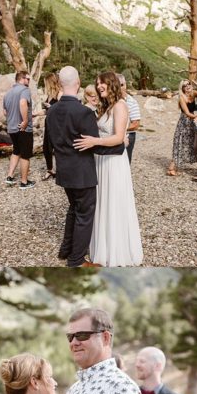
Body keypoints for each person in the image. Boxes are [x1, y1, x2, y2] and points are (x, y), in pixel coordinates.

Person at [73, 71, 144, 267]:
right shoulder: (107, 107)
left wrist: (94, 141)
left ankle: (116, 250)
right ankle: (102, 247)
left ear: (111, 84)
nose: (98, 86)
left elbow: (119, 137)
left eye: (102, 83)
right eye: (97, 83)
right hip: (101, 161)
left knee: (113, 203)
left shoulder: (120, 106)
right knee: (102, 203)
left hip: (113, 163)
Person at [47, 66, 103, 268]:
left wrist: (51, 166)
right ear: (78, 83)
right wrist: (118, 144)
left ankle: (66, 249)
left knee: (74, 208)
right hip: (82, 172)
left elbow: (48, 144)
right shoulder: (84, 112)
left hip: (64, 169)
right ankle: (77, 260)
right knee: (84, 214)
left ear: (60, 84)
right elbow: (95, 144)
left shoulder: (51, 111)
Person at [3, 70, 36, 189]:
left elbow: (5, 112)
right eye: (28, 79)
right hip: (23, 129)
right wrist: (25, 120)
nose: (29, 81)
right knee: (25, 154)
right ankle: (24, 182)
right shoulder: (25, 90)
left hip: (12, 128)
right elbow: (22, 103)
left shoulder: (8, 93)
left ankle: (10, 176)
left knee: (16, 151)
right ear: (22, 79)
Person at [167, 81, 197, 177]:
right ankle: (172, 168)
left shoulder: (194, 93)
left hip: (191, 122)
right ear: (182, 88)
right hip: (184, 122)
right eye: (185, 85)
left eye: (189, 84)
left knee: (190, 143)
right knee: (180, 143)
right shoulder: (182, 97)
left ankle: (173, 167)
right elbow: (187, 113)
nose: (188, 86)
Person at [40, 72, 61, 181]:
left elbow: (62, 109)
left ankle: (60, 170)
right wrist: (35, 114)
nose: (45, 85)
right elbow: (47, 111)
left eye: (45, 83)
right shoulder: (49, 95)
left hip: (56, 124)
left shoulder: (59, 94)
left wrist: (51, 106)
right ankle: (50, 169)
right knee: (46, 148)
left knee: (57, 147)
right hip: (48, 122)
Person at [117, 74, 142, 165]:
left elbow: (136, 124)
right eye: (117, 85)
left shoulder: (132, 102)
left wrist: (119, 129)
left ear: (125, 85)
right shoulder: (110, 101)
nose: (120, 88)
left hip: (128, 135)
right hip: (113, 136)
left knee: (125, 162)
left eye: (122, 85)